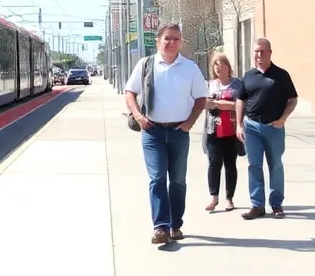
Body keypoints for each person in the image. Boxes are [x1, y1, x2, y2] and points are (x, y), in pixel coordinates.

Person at [124, 23, 208, 244]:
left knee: (178, 181)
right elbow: (130, 92)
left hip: (179, 132)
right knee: (157, 178)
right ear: (158, 41)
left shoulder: (190, 68)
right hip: (153, 132)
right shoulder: (145, 65)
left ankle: (175, 225)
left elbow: (201, 98)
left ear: (181, 42)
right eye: (167, 38)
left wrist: (189, 123)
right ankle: (160, 227)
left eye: (176, 39)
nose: (172, 43)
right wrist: (138, 116)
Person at [235, 37, 298, 220]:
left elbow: (293, 99)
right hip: (252, 127)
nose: (259, 55)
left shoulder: (281, 75)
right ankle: (257, 205)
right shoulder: (248, 76)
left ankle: (276, 204)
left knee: (276, 166)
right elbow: (240, 100)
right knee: (254, 166)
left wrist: (283, 119)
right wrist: (239, 124)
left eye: (262, 51)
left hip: (274, 128)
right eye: (256, 51)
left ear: (270, 52)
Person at [203, 52, 243, 213]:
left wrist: (220, 104)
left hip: (231, 131)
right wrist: (213, 104)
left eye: (222, 64)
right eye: (215, 65)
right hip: (213, 131)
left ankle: (229, 198)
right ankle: (214, 197)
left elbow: (241, 105)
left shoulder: (238, 85)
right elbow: (202, 103)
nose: (219, 68)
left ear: (228, 66)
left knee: (230, 164)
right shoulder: (208, 85)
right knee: (214, 164)